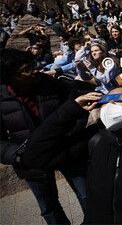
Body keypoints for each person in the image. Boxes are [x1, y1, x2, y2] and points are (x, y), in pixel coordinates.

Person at [22, 85, 122, 224]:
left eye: (118, 98)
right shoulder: (95, 139)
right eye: (106, 100)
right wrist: (72, 109)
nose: (110, 105)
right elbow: (34, 156)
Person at [0, 49, 94, 224]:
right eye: (27, 69)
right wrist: (20, 155)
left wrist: (71, 132)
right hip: (31, 163)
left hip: (68, 151)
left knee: (88, 197)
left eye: (34, 65)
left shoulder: (50, 83)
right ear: (9, 76)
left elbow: (79, 106)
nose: (36, 70)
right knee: (49, 208)